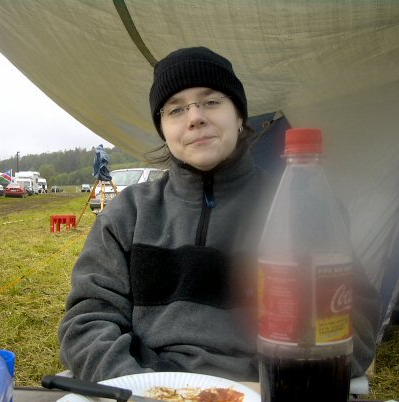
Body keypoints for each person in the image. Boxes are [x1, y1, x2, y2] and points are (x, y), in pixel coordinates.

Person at [58, 47, 380, 382]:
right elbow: (87, 322)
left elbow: (355, 322)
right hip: (151, 388)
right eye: (175, 109)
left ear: (240, 116)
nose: (194, 117)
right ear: (163, 130)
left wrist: (277, 383)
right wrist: (136, 386)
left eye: (211, 101)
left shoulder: (302, 210)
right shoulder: (127, 215)